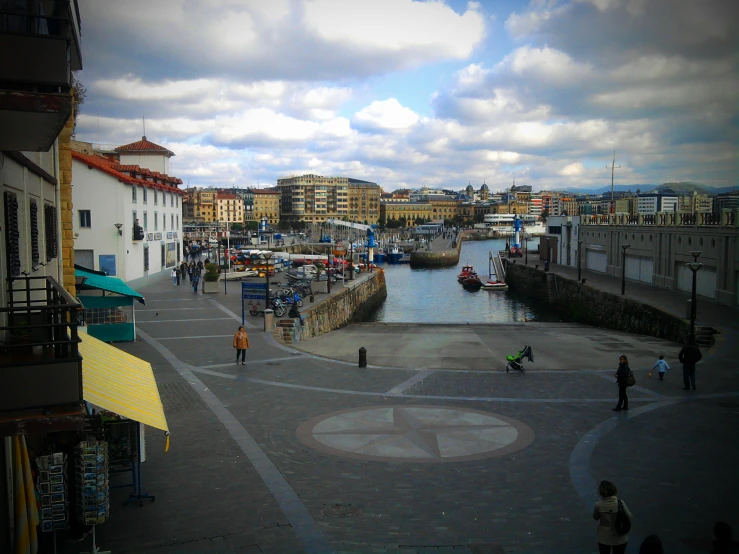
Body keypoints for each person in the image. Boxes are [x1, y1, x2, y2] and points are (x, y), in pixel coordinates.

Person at [593, 480, 632, 554]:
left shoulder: (598, 505)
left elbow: (595, 517)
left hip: (604, 537)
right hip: (619, 535)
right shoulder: (620, 503)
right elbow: (629, 517)